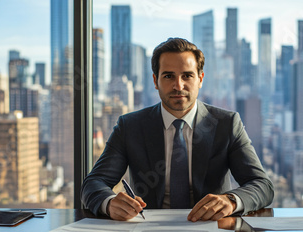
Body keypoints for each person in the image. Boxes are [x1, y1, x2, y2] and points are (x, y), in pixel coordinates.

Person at [82, 37, 274, 221]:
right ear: (156, 81)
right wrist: (109, 203)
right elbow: (93, 183)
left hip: (211, 231)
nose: (178, 85)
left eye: (187, 76)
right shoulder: (130, 127)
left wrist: (231, 201)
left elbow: (262, 185)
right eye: (168, 76)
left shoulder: (227, 124)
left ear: (200, 79)